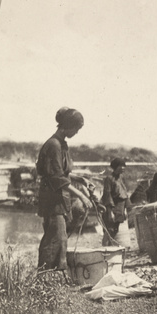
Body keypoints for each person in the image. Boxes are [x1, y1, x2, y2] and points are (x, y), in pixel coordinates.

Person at [36, 107, 92, 271]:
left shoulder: (62, 144)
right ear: (67, 126)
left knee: (59, 237)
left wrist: (79, 179)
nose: (76, 132)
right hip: (52, 199)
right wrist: (81, 195)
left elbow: (63, 173)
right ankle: (47, 276)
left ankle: (52, 274)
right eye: (76, 128)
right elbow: (56, 177)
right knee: (56, 238)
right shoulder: (53, 145)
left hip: (60, 198)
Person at [101, 157, 131, 245]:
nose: (122, 168)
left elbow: (124, 194)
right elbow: (107, 195)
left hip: (120, 208)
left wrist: (125, 209)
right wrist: (110, 212)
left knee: (115, 230)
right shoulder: (109, 179)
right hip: (112, 208)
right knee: (109, 230)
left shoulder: (122, 178)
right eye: (120, 166)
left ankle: (110, 250)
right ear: (115, 167)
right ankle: (104, 250)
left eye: (123, 166)